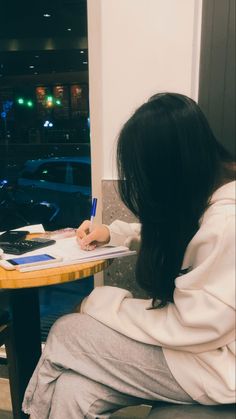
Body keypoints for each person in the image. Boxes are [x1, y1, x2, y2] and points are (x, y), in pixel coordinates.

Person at [23, 93, 235, 418]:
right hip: (207, 354)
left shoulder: (226, 222)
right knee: (74, 390)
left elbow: (195, 325)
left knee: (66, 332)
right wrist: (112, 232)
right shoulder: (211, 196)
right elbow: (188, 233)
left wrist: (99, 304)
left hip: (219, 366)